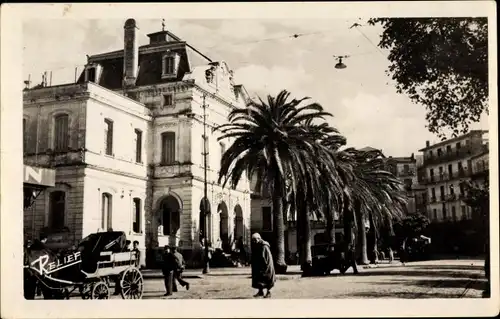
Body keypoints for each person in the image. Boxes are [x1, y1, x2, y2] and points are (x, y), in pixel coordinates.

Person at [250, 233, 276, 298]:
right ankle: (260, 292)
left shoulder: (264, 246)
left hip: (266, 266)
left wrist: (265, 267)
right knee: (259, 280)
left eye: (255, 239)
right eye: (253, 240)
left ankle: (268, 292)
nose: (254, 241)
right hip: (260, 266)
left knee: (267, 279)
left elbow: (267, 258)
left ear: (259, 238)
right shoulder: (258, 245)